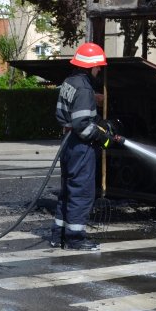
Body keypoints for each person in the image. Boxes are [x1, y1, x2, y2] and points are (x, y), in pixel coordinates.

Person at [51, 42, 122, 251]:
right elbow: (82, 124)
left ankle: (59, 235)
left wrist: (99, 122)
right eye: (98, 66)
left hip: (68, 143)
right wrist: (102, 137)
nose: (99, 70)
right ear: (90, 66)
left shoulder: (69, 82)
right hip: (80, 145)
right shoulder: (83, 88)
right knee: (81, 192)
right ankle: (75, 238)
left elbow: (73, 116)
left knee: (68, 190)